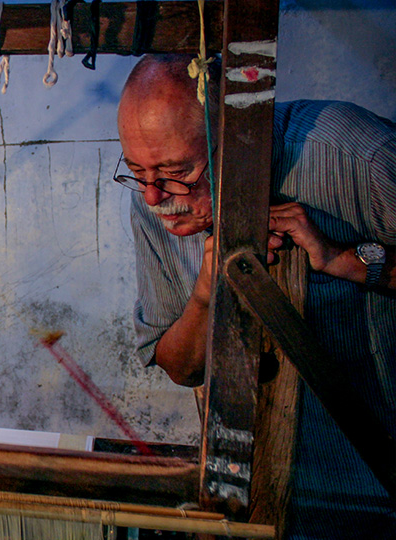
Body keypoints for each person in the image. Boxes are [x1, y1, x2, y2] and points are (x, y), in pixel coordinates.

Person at [116, 54, 396, 537]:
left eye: (176, 171)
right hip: (259, 491)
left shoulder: (356, 155)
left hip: (381, 483)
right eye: (137, 171)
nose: (153, 197)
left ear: (236, 137)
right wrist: (205, 297)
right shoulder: (154, 201)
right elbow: (181, 367)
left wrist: (344, 259)